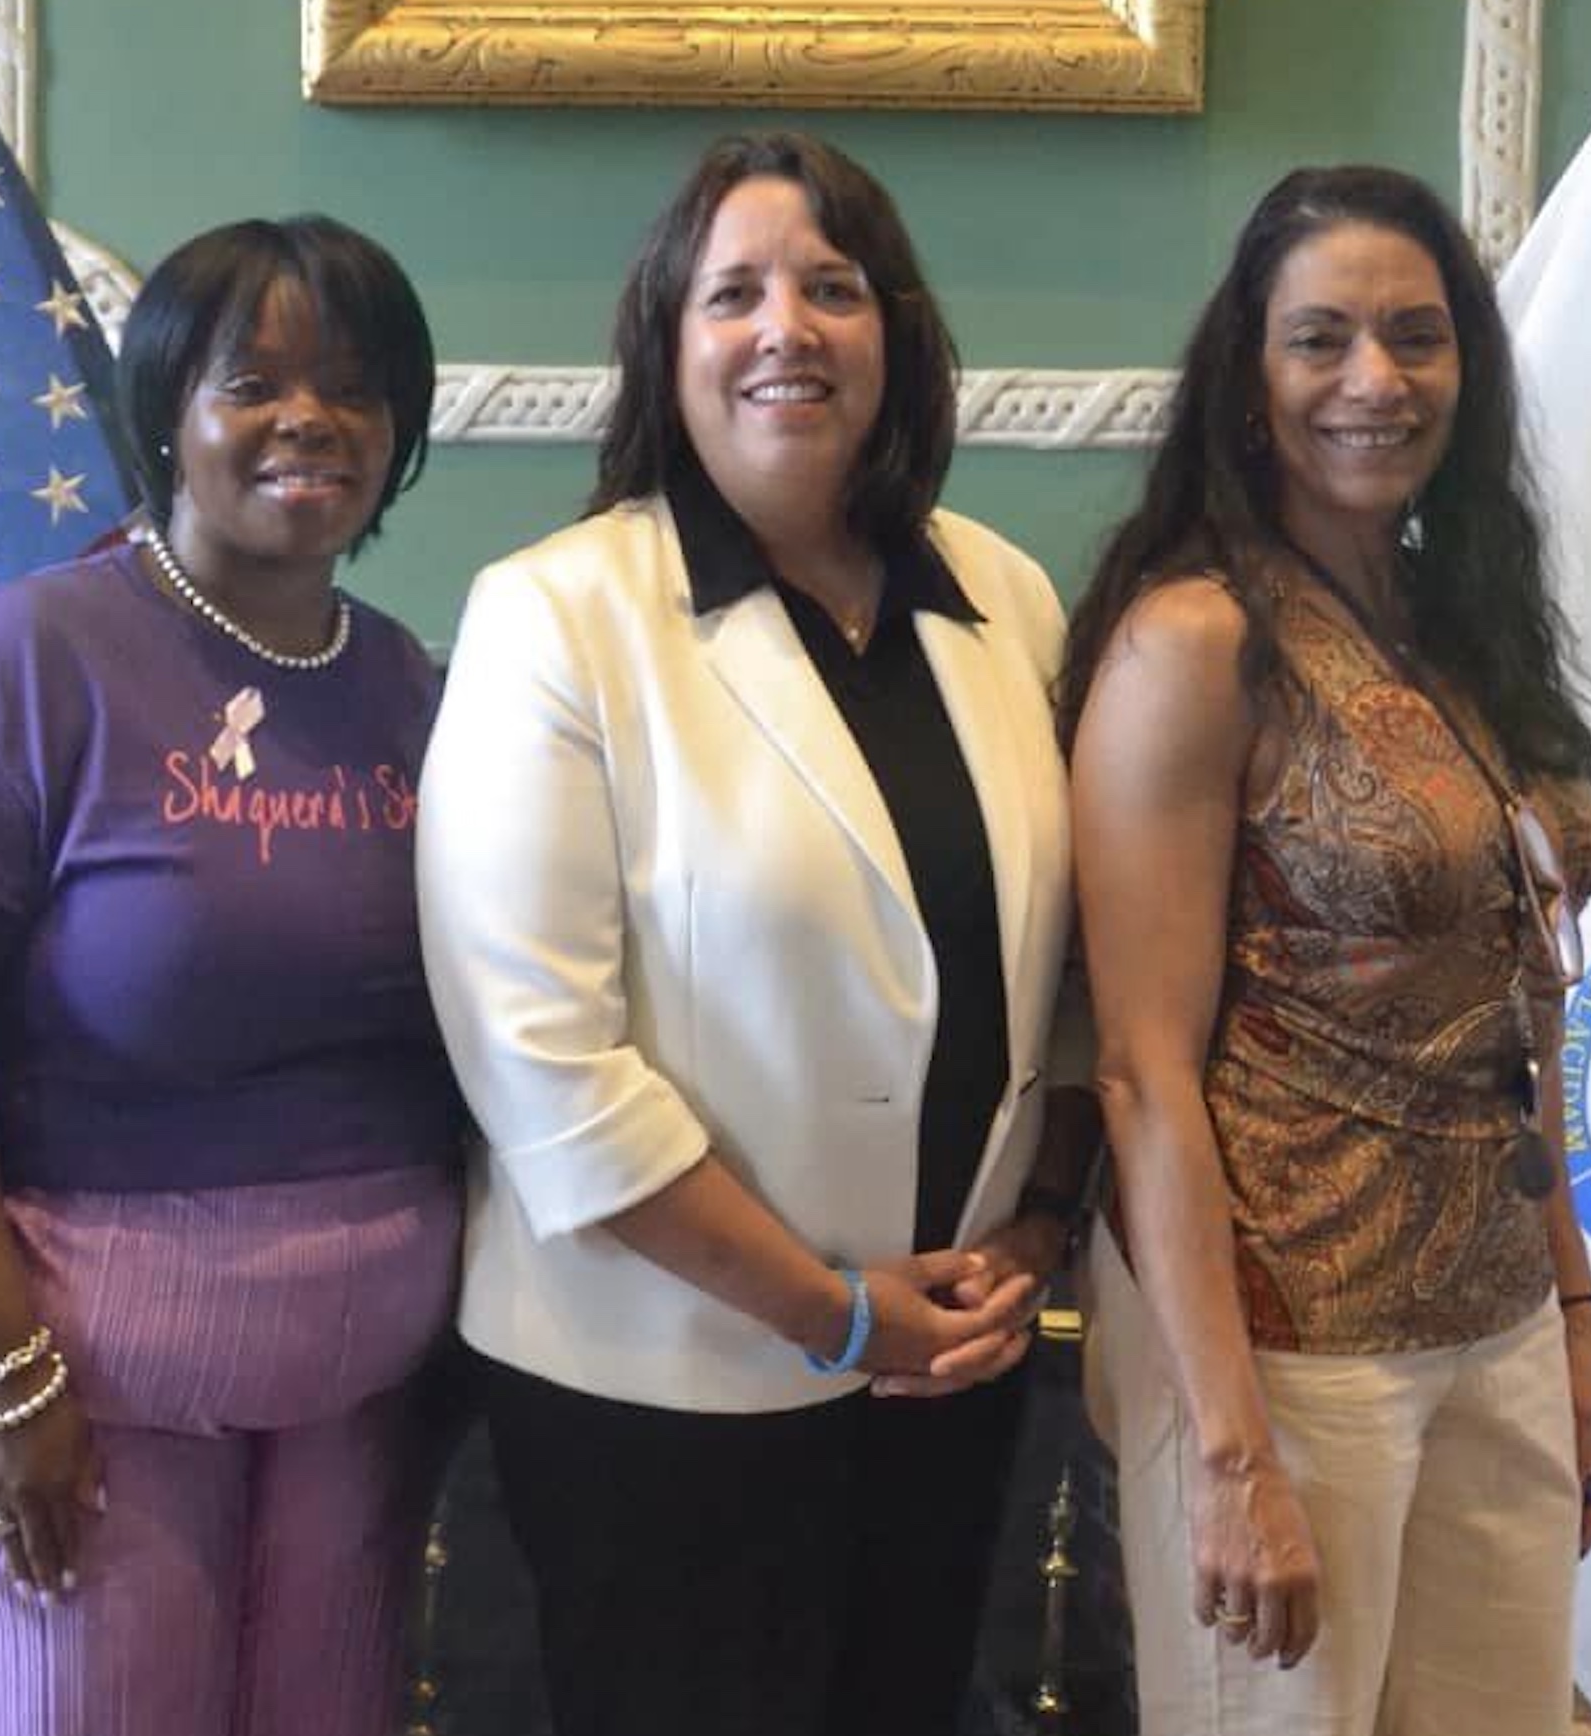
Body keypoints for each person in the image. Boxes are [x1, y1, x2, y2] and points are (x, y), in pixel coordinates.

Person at [416, 132, 1097, 1736]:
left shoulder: (1008, 598)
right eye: (733, 293)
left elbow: (1067, 984)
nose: (785, 326)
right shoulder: (557, 615)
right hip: (662, 1387)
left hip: (952, 1371)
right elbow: (543, 1066)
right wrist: (828, 1310)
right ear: (668, 345)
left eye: (831, 287)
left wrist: (1031, 1240)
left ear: (898, 336)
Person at [0, 216, 462, 1736]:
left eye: (356, 390)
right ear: (166, 410)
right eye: (254, 381)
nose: (310, 420)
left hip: (358, 1408)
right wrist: (0, 1373)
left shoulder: (419, 692)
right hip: (71, 1389)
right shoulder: (18, 662)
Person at [1060, 166, 1591, 1736]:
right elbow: (1138, 1077)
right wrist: (1227, 1452)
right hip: (1286, 1347)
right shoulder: (1192, 644)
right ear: (1248, 380)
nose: (1374, 381)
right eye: (1320, 339)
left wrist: (1577, 1324)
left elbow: (1517, 1017)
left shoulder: (1465, 626)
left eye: (1415, 336)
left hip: (1499, 1315)